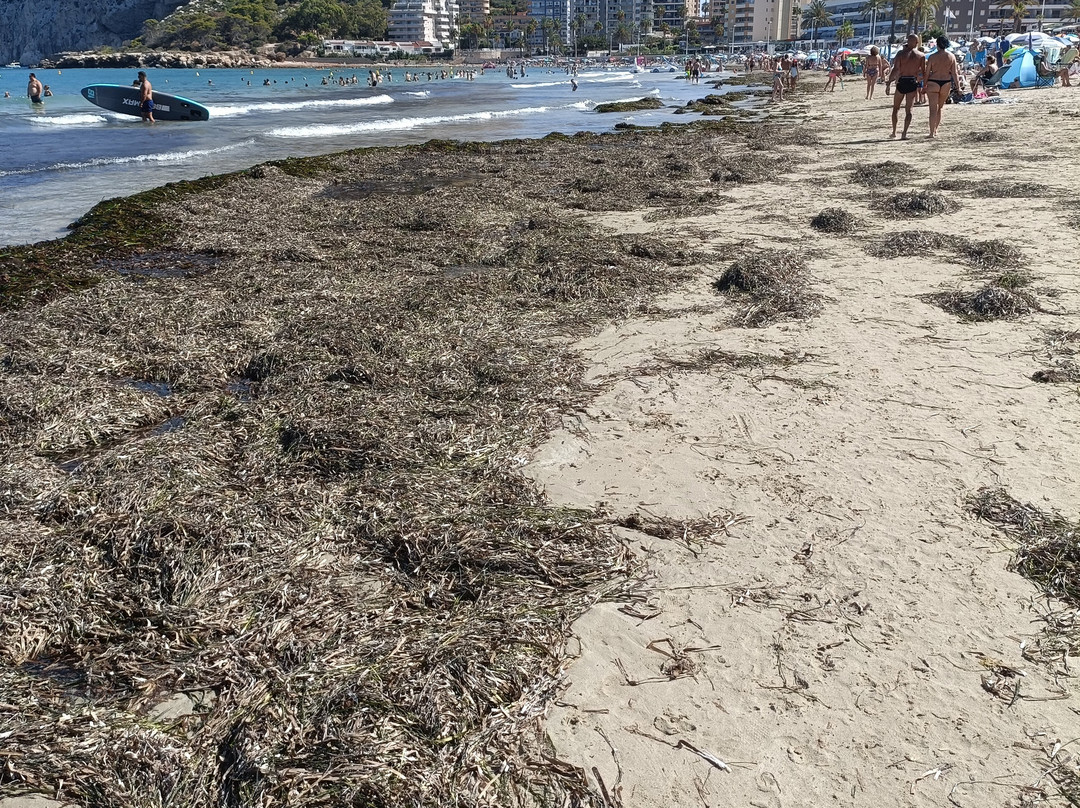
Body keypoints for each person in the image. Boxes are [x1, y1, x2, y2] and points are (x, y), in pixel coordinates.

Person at [890, 34, 925, 140]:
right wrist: (923, 83)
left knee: (896, 108)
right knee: (909, 110)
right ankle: (904, 133)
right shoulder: (921, 55)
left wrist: (888, 82)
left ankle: (894, 131)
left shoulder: (901, 54)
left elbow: (895, 69)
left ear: (908, 41)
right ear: (917, 42)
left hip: (902, 80)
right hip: (912, 81)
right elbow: (923, 72)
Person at [925, 36, 960, 138]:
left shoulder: (932, 57)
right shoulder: (951, 56)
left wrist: (924, 85)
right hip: (946, 82)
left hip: (933, 82)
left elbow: (927, 73)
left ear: (937, 44)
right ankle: (936, 130)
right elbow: (955, 73)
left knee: (932, 109)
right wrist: (958, 88)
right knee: (939, 108)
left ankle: (931, 133)